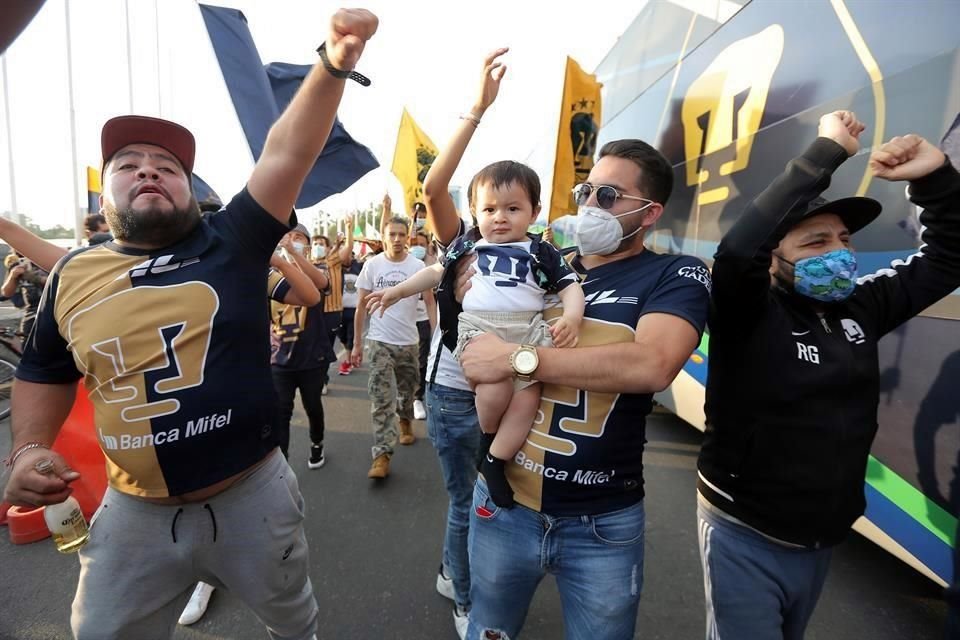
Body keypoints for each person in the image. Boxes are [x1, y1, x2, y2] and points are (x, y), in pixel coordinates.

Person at [2, 10, 378, 639]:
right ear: (104, 198)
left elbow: (287, 149)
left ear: (188, 188)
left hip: (251, 495)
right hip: (131, 512)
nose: (149, 169)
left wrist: (332, 64)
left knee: (293, 620)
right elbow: (43, 368)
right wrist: (28, 447)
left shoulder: (232, 239)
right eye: (128, 164)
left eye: (167, 166)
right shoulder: (71, 272)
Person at [443, 50, 712, 640]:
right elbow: (456, 237)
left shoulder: (675, 274)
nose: (590, 205)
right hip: (506, 507)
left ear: (649, 212)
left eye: (610, 197)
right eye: (588, 190)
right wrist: (456, 295)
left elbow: (653, 363)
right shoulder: (545, 265)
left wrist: (522, 358)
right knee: (489, 629)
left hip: (603, 521)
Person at [696, 110, 960, 640]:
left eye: (843, 240)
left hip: (822, 539)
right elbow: (738, 252)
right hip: (745, 533)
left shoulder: (861, 307)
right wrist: (825, 153)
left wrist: (936, 180)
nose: (839, 254)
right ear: (775, 259)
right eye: (815, 243)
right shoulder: (749, 313)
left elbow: (950, 256)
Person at [368, 162, 585, 510]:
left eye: (512, 209)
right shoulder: (468, 246)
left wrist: (573, 317)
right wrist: (398, 292)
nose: (500, 217)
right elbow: (435, 272)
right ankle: (487, 439)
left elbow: (570, 286)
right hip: (478, 329)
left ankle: (495, 460)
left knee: (528, 400)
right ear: (473, 211)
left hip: (526, 331)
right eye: (489, 209)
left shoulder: (542, 251)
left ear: (535, 212)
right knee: (494, 387)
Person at [351, 215, 430, 479]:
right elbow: (361, 307)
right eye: (391, 234)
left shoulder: (418, 265)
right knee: (380, 399)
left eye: (401, 234)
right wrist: (357, 344)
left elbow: (430, 302)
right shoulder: (372, 266)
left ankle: (405, 419)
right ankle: (382, 454)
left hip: (408, 342)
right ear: (384, 237)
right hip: (379, 341)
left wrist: (437, 334)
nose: (396, 239)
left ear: (407, 236)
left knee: (407, 392)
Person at [310, 214, 354, 393]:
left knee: (326, 347)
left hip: (331, 312)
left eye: (321, 244)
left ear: (328, 248)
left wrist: (349, 229)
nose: (318, 247)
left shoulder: (333, 261)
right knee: (313, 347)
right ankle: (313, 377)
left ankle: (323, 380)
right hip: (311, 312)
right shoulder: (305, 263)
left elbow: (348, 248)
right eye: (315, 244)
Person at [409, 229, 436, 420]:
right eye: (414, 243)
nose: (417, 247)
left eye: (421, 244)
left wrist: (436, 328)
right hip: (403, 322)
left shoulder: (435, 265)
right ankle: (406, 396)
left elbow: (431, 301)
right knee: (404, 363)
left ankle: (417, 398)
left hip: (423, 320)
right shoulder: (404, 262)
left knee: (422, 360)